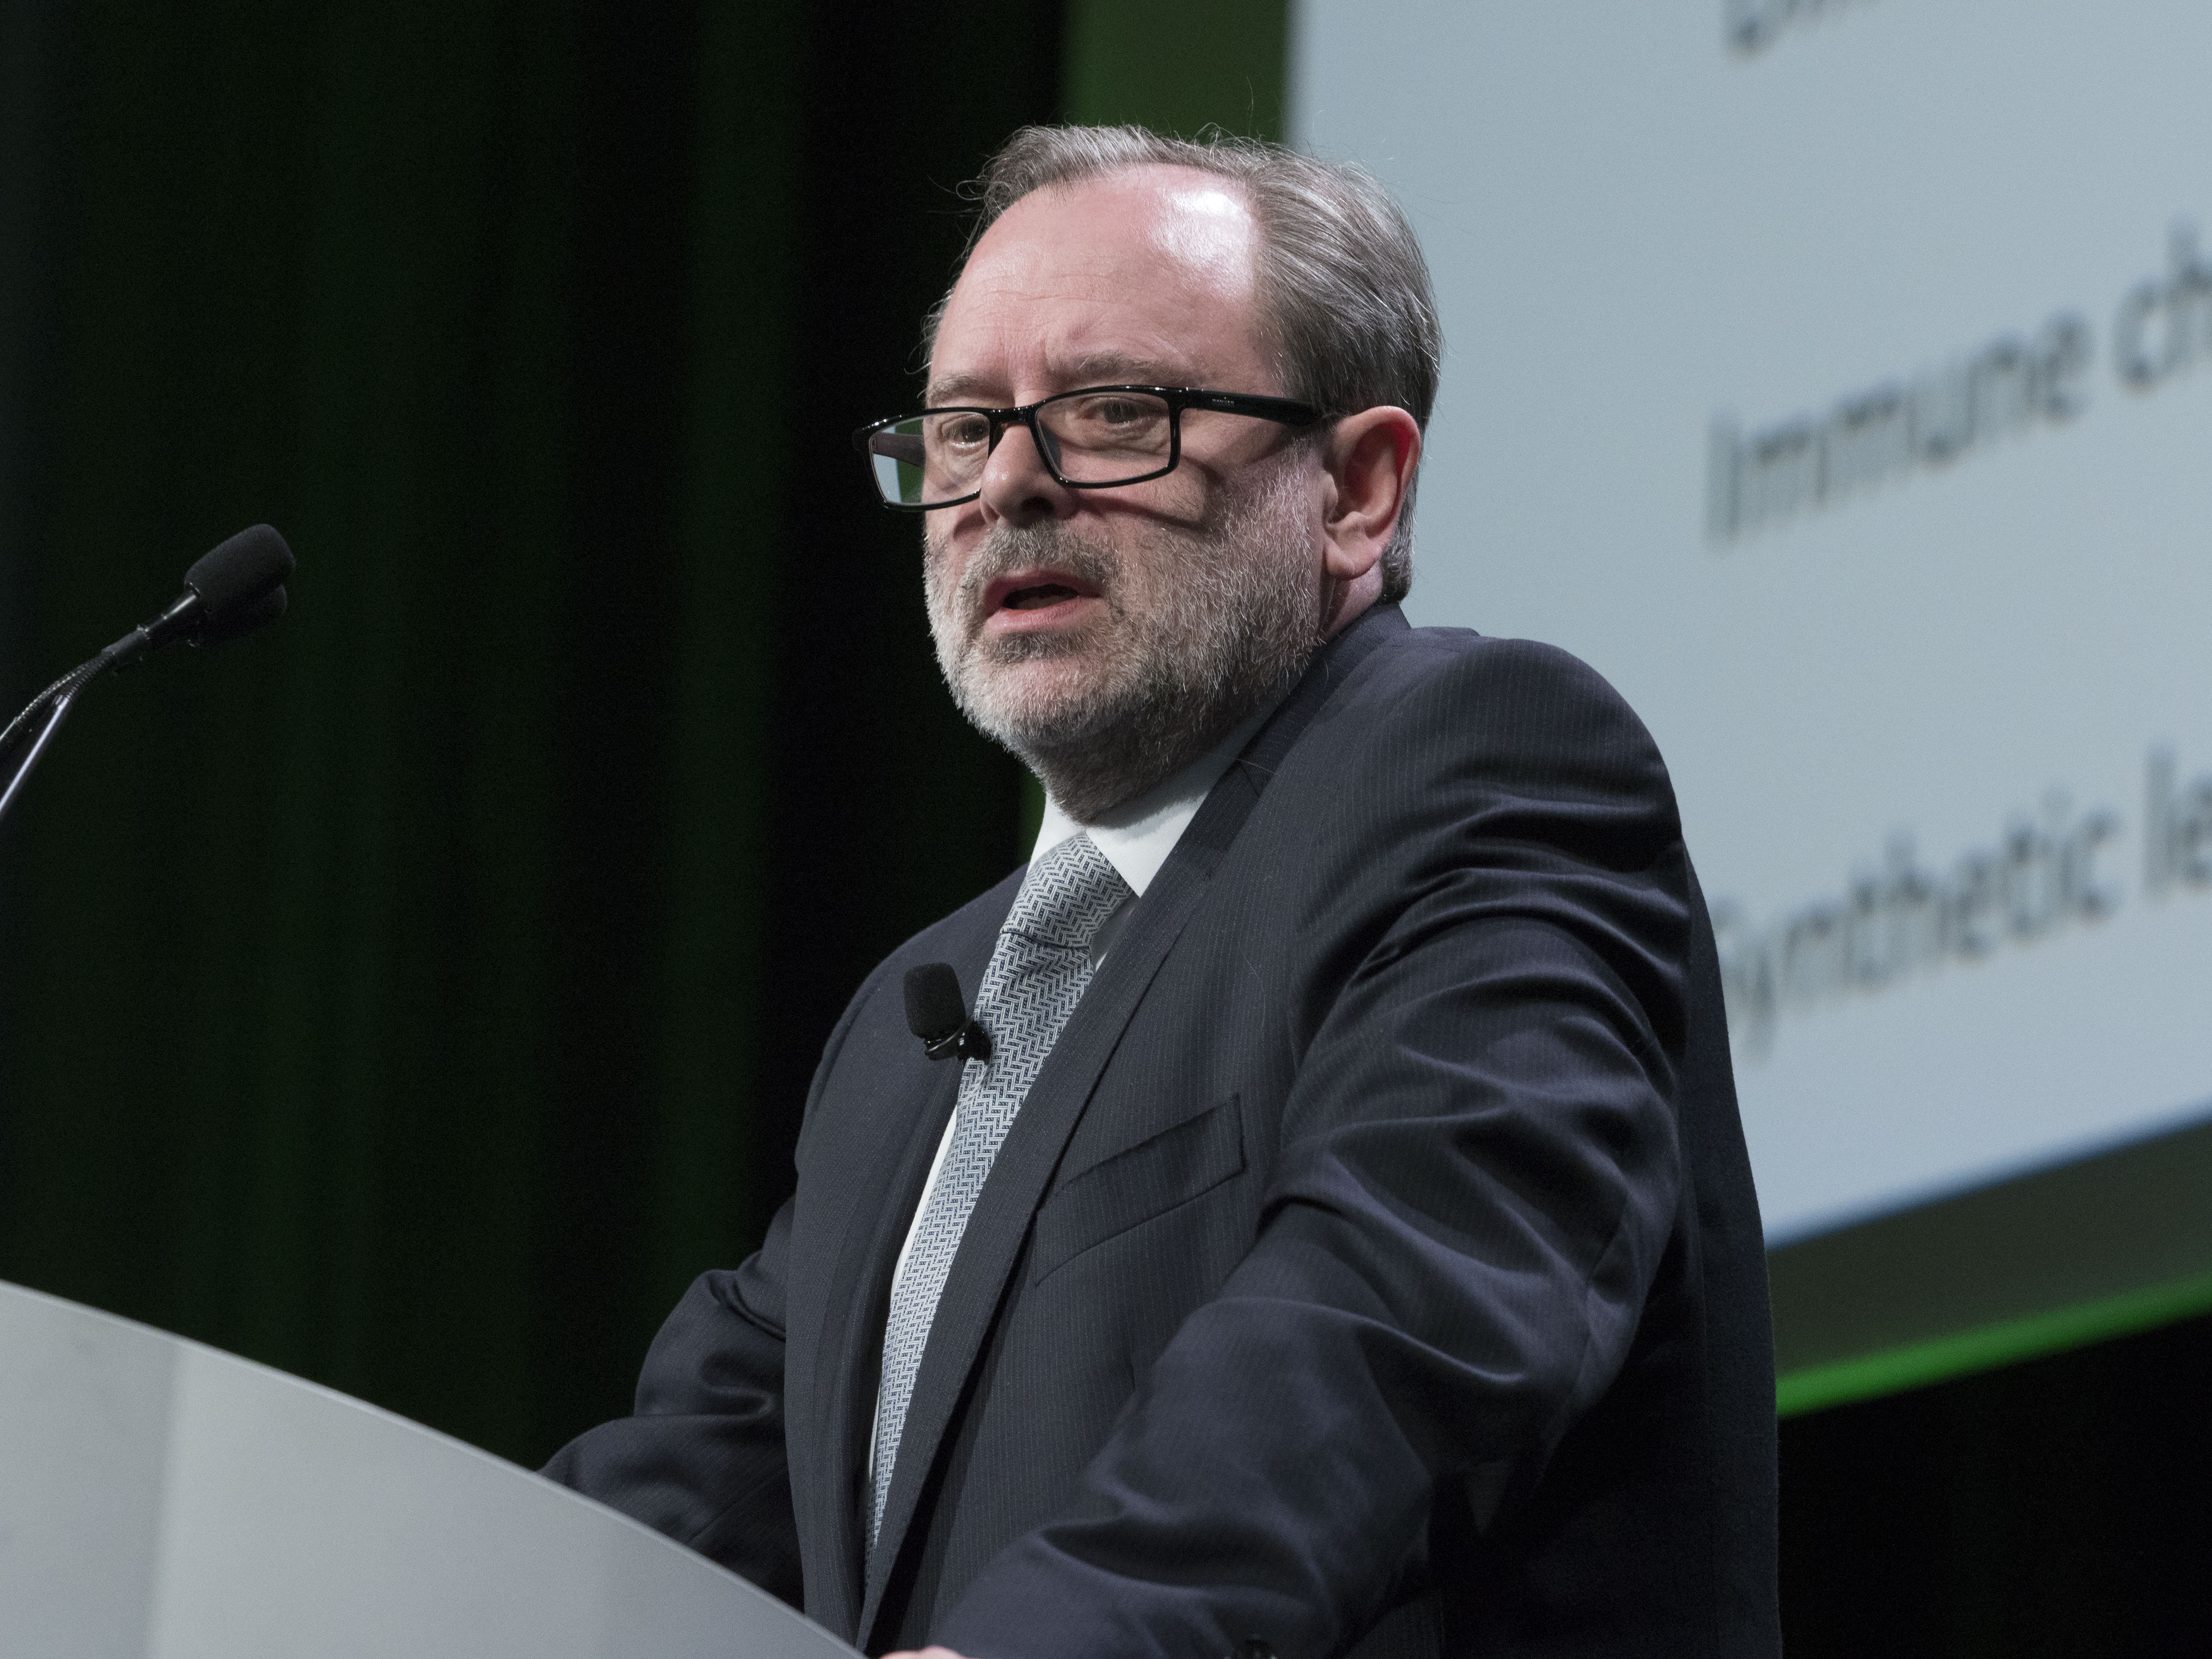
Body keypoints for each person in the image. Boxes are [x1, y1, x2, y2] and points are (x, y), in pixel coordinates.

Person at [546, 125, 1780, 1659]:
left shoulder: (1485, 770)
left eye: (1114, 412)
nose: (1009, 483)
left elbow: (1401, 1314)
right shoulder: (906, 1035)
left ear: (1358, 489)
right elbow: (682, 1497)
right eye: (961, 429)